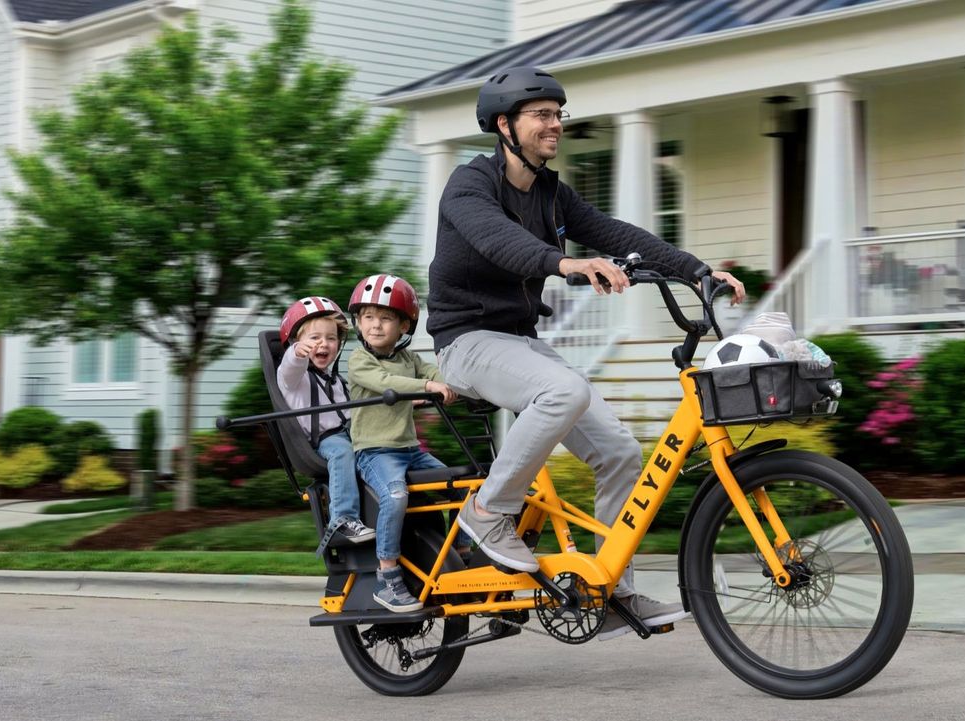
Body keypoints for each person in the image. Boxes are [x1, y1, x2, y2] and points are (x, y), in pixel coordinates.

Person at [427, 66, 746, 640]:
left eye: (558, 114)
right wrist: (564, 262)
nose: (556, 125)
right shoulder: (469, 185)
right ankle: (488, 513)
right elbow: (498, 240)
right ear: (504, 125)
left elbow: (615, 232)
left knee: (622, 452)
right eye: (542, 115)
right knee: (564, 391)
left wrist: (697, 270)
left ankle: (607, 589)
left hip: (520, 341)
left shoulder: (552, 194)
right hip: (464, 341)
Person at [346, 274, 460, 613]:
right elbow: (384, 382)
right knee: (395, 496)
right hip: (374, 452)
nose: (376, 325)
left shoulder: (409, 359)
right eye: (368, 317)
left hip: (409, 451)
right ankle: (388, 577)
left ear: (404, 325)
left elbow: (434, 374)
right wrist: (426, 387)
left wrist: (450, 385)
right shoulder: (359, 360)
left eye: (385, 318)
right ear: (358, 322)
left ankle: (462, 551)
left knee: (463, 487)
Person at [275, 296, 374, 551]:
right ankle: (343, 520)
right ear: (297, 342)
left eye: (331, 339)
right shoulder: (294, 380)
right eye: (314, 338)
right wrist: (296, 353)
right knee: (342, 452)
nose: (324, 344)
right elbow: (290, 366)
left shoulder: (336, 380)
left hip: (351, 434)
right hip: (324, 442)